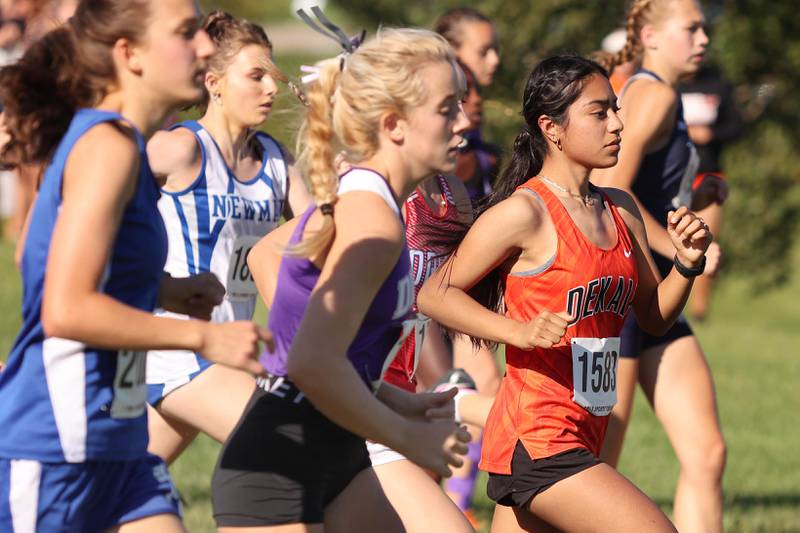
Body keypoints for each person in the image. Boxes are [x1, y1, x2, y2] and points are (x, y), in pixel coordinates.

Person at [0, 1, 269, 530]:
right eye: (186, 33)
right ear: (131, 55)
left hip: (120, 443)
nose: (206, 46)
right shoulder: (108, 148)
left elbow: (96, 274)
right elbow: (65, 309)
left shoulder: (130, 148)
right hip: (55, 447)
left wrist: (166, 291)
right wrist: (205, 341)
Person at [419, 54, 713, 532]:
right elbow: (436, 293)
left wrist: (686, 263)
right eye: (600, 113)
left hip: (584, 431)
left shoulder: (621, 209)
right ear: (552, 128)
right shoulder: (526, 212)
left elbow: (654, 316)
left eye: (616, 110)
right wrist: (518, 331)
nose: (618, 123)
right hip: (537, 438)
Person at [211, 23, 472, 531]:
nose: (462, 121)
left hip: (339, 456)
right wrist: (403, 434)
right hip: (279, 470)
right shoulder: (372, 221)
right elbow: (310, 361)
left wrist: (403, 401)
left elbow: (332, 354)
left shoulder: (371, 200)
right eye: (446, 108)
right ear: (394, 124)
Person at [145, 10, 311, 465]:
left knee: (113, 491)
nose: (272, 88)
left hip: (227, 352)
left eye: (273, 76)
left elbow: (322, 233)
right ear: (214, 82)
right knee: (292, 453)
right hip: (174, 349)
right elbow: (94, 180)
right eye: (255, 75)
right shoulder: (180, 148)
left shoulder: (276, 161)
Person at [592, 1, 726, 532]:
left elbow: (643, 187)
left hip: (656, 295)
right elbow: (610, 185)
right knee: (597, 470)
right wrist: (683, 249)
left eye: (703, 28)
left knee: (707, 453)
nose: (703, 38)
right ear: (649, 34)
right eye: (690, 28)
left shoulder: (660, 95)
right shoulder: (654, 92)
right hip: (623, 295)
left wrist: (701, 193)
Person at [680, 64, 740, 319]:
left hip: (708, 174)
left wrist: (710, 134)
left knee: (704, 241)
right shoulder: (664, 87)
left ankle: (699, 308)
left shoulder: (718, 85)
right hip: (674, 176)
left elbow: (738, 126)